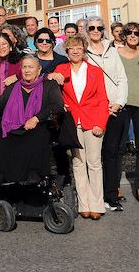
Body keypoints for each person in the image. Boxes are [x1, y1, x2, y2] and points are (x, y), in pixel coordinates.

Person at [53, 36, 110, 220]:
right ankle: (84, 204)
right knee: (78, 163)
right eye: (71, 48)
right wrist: (51, 76)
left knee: (94, 163)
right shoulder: (61, 69)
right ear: (67, 51)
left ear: (84, 49)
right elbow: (47, 85)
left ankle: (97, 204)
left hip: (93, 120)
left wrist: (101, 123)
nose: (75, 51)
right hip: (72, 122)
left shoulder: (95, 71)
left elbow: (102, 99)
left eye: (78, 47)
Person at [0, 56, 63, 185]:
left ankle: (34, 172)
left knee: (39, 132)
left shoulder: (49, 85)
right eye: (24, 67)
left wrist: (37, 118)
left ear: (39, 70)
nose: (27, 70)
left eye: (31, 67)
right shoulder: (13, 86)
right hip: (15, 125)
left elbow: (57, 105)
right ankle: (0, 173)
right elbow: (1, 103)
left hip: (37, 125)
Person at [84, 15, 129, 212]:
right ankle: (94, 196)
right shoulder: (82, 52)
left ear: (104, 30)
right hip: (93, 110)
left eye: (99, 27)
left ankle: (111, 195)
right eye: (92, 27)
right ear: (86, 30)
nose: (95, 30)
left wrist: (118, 102)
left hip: (114, 110)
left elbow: (122, 79)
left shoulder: (112, 51)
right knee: (93, 156)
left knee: (111, 153)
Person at [117, 23, 139, 204]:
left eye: (136, 33)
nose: (132, 35)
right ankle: (115, 186)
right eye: (129, 32)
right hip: (121, 105)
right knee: (119, 146)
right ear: (123, 35)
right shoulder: (115, 56)